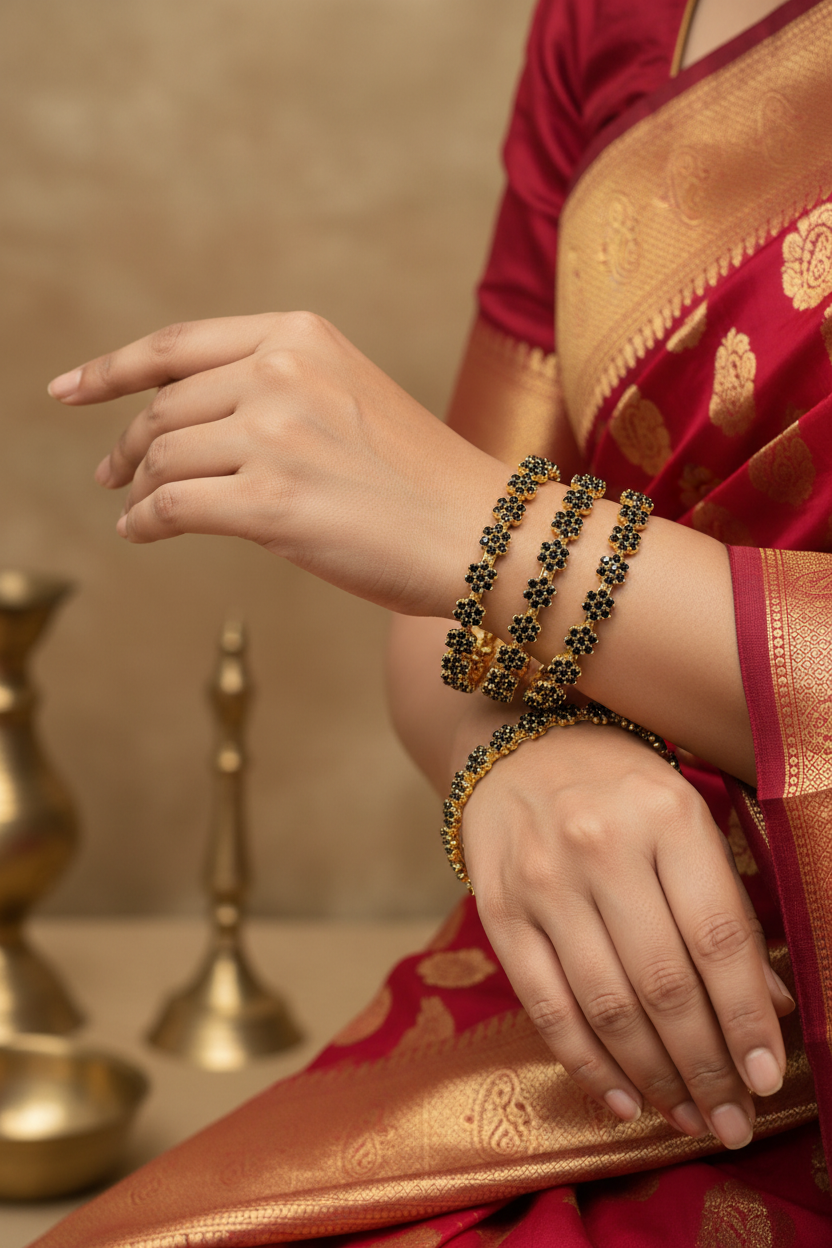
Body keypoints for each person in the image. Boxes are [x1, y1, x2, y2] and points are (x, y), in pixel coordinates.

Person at [35, 0, 832, 1243]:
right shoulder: (608, 23)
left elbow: (463, 531)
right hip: (612, 995)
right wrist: (515, 762)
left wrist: (508, 544)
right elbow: (441, 605)